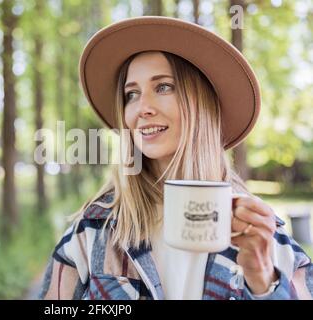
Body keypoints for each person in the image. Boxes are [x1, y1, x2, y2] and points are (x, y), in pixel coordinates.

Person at [39, 16, 312, 300]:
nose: (142, 108)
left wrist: (263, 280)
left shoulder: (264, 236)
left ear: (202, 105)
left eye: (163, 87)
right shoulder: (94, 230)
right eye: (131, 94)